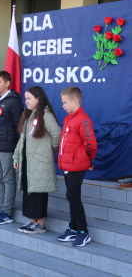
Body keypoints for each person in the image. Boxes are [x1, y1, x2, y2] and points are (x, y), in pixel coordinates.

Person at [14, 86, 61, 234]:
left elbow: (57, 135)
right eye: (25, 98)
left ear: (38, 99)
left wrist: (49, 151)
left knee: (39, 193)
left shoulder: (46, 116)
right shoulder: (28, 115)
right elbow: (22, 139)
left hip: (40, 162)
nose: (26, 101)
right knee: (30, 191)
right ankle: (32, 221)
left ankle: (40, 224)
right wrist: (16, 156)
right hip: (29, 162)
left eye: (29, 98)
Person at [56, 86, 97, 247]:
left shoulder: (83, 119)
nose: (63, 105)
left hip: (77, 165)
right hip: (68, 165)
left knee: (73, 197)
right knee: (71, 196)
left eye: (65, 102)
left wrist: (88, 160)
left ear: (75, 101)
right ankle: (73, 228)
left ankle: (83, 231)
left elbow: (90, 144)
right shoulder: (69, 117)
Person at [0, 71, 24, 224]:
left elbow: (19, 127)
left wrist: (17, 151)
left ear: (8, 83)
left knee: (8, 180)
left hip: (7, 148)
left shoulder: (14, 101)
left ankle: (7, 212)